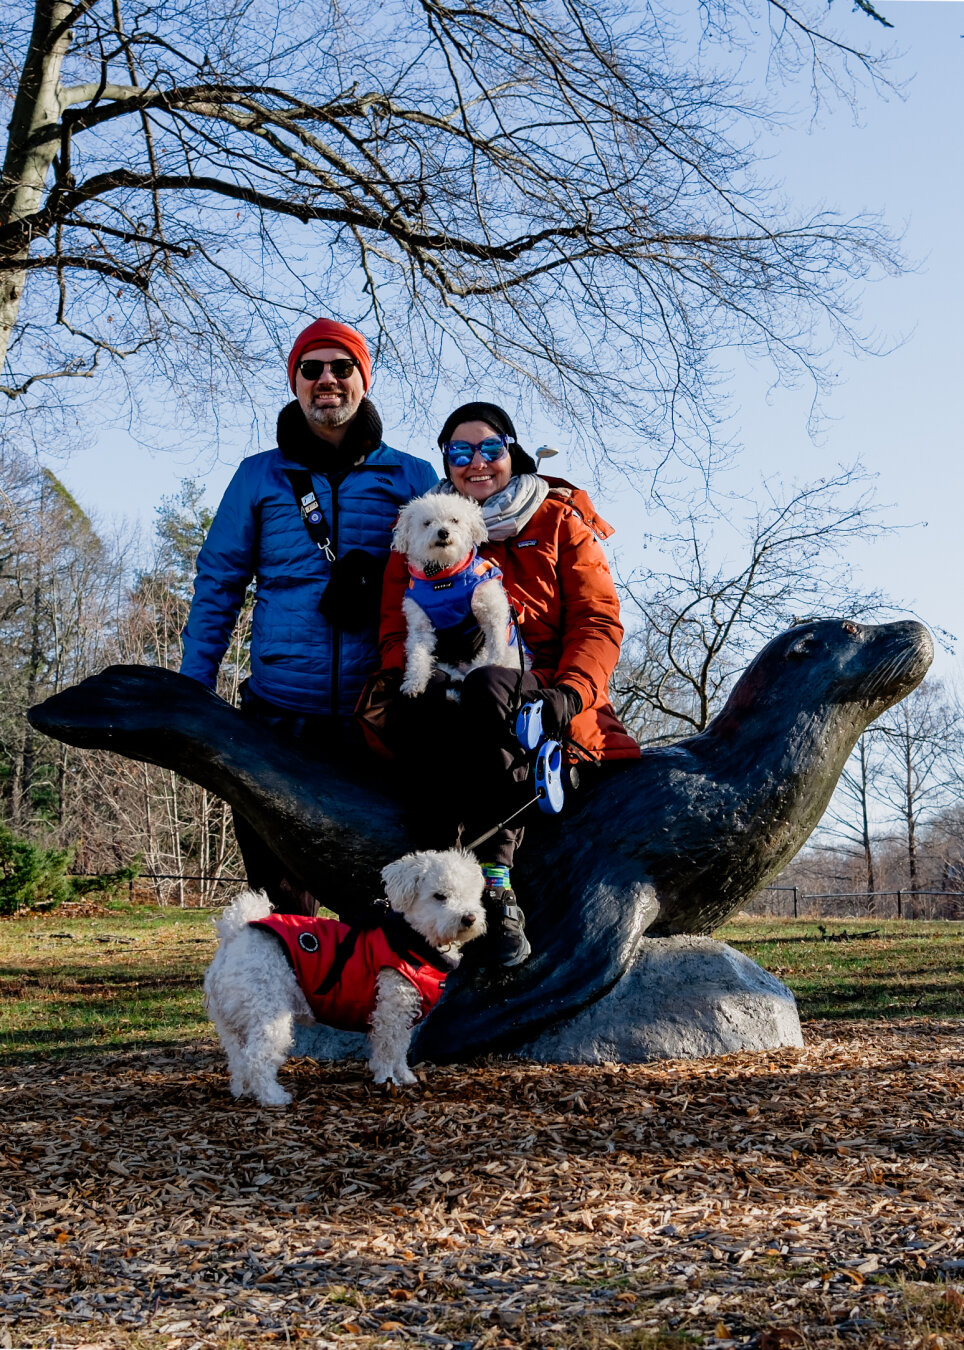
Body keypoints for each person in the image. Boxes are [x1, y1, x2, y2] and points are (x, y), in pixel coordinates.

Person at [180, 319, 437, 913]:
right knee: (283, 903)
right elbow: (219, 582)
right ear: (294, 380)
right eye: (311, 368)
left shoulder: (412, 476)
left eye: (342, 367)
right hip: (277, 718)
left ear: (363, 380)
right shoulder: (258, 475)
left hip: (378, 718)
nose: (327, 380)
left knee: (381, 900)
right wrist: (194, 687)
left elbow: (449, 579)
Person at [378, 401, 639, 967]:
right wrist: (425, 667)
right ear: (446, 462)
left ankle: (496, 883)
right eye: (460, 452)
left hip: (536, 684)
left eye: (490, 448)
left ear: (511, 452)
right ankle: (436, 894)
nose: (476, 462)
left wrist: (570, 693)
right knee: (422, 703)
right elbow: (395, 632)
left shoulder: (558, 520)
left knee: (488, 686)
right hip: (451, 680)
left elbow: (598, 622)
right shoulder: (421, 530)